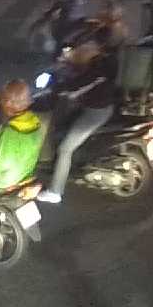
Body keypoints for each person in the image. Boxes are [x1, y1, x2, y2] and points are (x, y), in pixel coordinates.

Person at [37, 43, 119, 204]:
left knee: (65, 149)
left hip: (95, 113)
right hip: (97, 106)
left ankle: (55, 192)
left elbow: (76, 87)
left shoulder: (96, 72)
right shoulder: (99, 63)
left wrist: (57, 88)